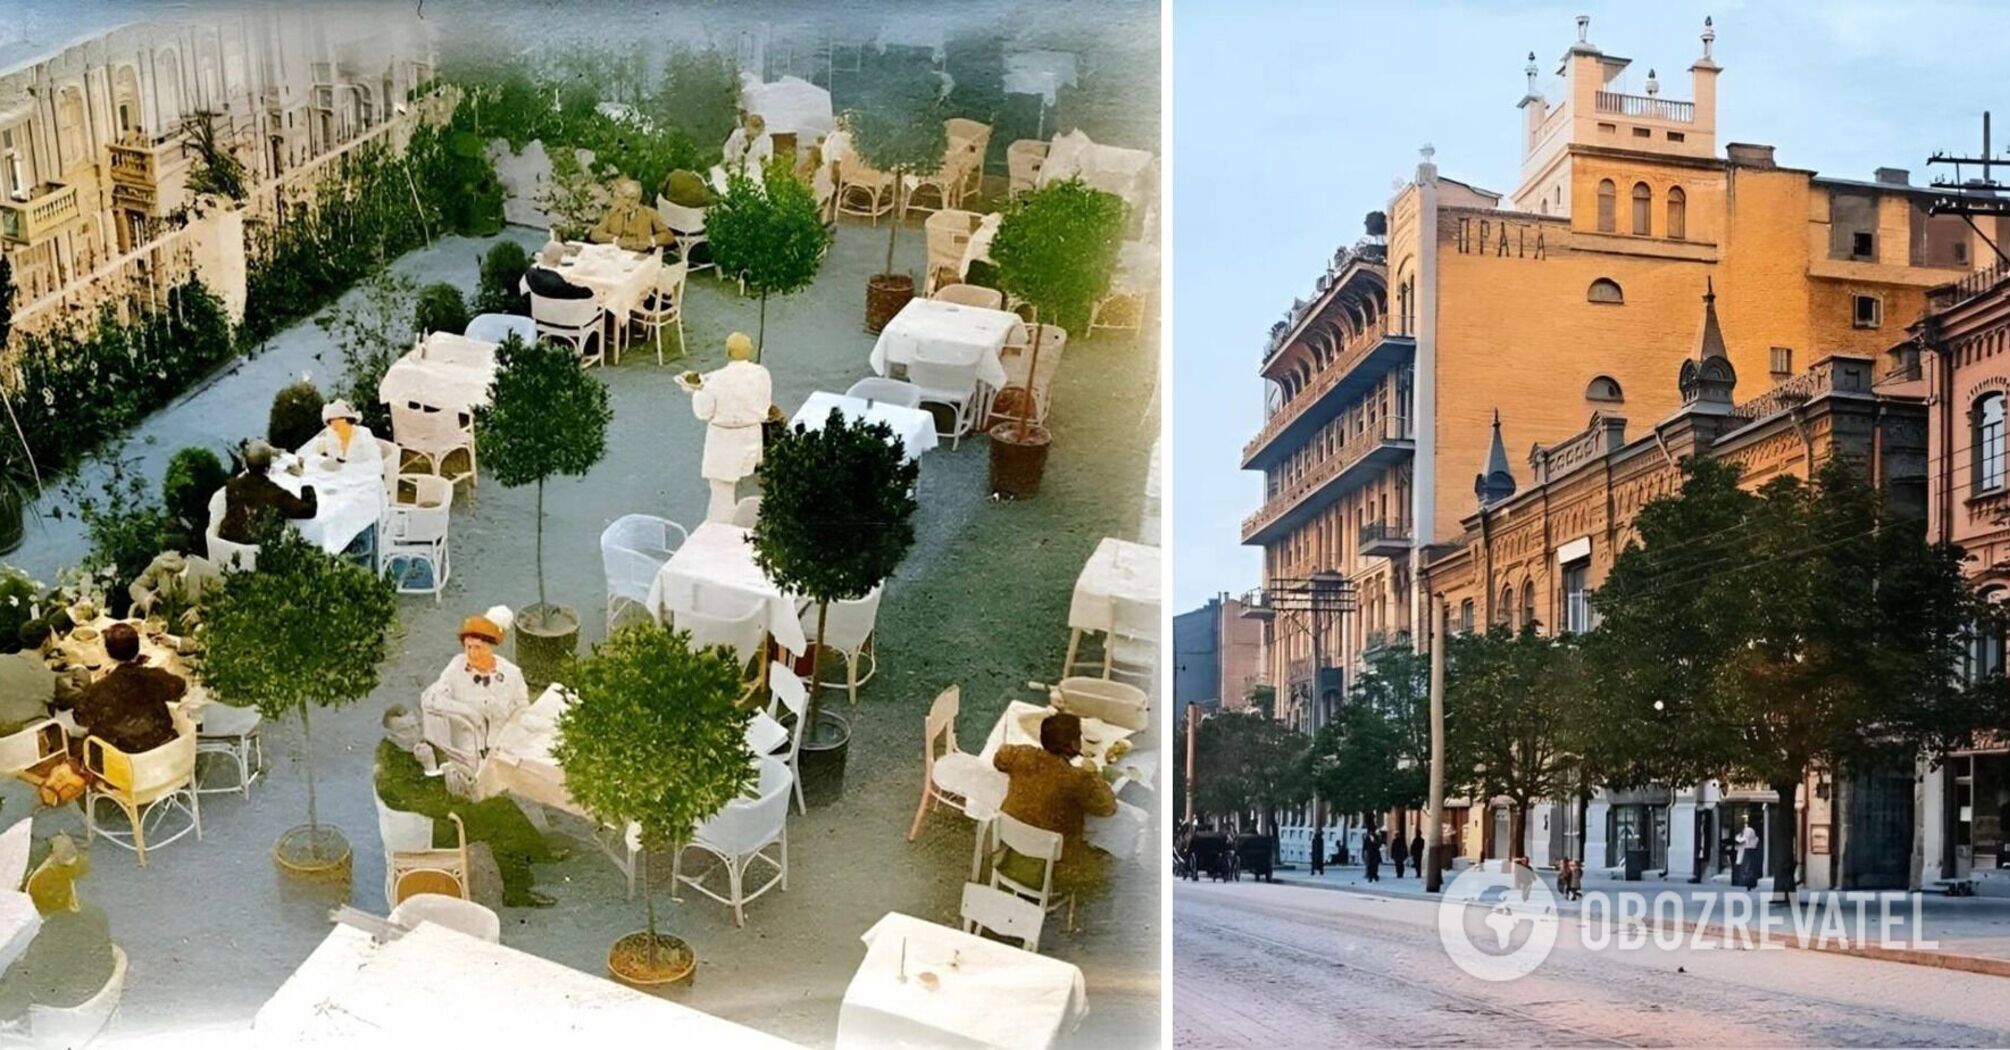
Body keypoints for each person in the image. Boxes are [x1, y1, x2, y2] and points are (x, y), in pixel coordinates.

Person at [991, 711, 1119, 898]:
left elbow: (1000, 757)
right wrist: (1093, 774)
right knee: (1109, 860)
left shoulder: (1022, 755)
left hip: (1010, 852)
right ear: (1075, 744)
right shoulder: (1077, 778)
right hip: (1055, 871)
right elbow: (1108, 807)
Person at [416, 606, 530, 797]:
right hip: (465, 753)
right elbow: (430, 698)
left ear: (491, 647)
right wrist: (467, 712)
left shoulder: (511, 674)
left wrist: (508, 738)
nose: (472, 653)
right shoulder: (456, 667)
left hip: (500, 751)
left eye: (478, 647)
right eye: (468, 646)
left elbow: (522, 708)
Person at [684, 332, 772, 522]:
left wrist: (697, 391)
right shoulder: (762, 374)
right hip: (751, 438)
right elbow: (764, 407)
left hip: (724, 442)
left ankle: (718, 533)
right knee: (747, 488)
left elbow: (703, 413)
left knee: (721, 496)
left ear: (728, 352)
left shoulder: (714, 380)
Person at [70, 623, 184, 754]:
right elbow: (180, 686)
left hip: (122, 757)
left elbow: (80, 718)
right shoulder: (155, 676)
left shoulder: (99, 689)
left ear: (107, 654)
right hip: (162, 749)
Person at [218, 440, 319, 545]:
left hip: (226, 541)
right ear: (268, 466)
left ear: (246, 463)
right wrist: (304, 479)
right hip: (256, 549)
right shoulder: (276, 495)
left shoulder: (232, 485)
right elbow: (309, 510)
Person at [587, 177, 676, 253]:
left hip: (641, 255)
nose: (628, 202)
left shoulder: (650, 213)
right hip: (617, 255)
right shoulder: (613, 212)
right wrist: (615, 240)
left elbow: (668, 236)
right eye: (625, 197)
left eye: (632, 198)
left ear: (638, 199)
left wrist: (650, 241)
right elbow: (595, 234)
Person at [303, 400, 382, 470]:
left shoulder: (364, 434)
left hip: (361, 479)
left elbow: (377, 464)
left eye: (337, 420)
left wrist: (350, 469)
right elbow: (308, 452)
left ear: (348, 419)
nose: (333, 424)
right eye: (330, 421)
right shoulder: (329, 434)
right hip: (336, 479)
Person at [1734, 816, 1760, 890]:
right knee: (1746, 867)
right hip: (1745, 850)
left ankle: (1747, 882)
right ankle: (1745, 881)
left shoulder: (1748, 831)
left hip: (1748, 850)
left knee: (1747, 867)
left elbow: (1744, 840)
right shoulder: (1742, 833)